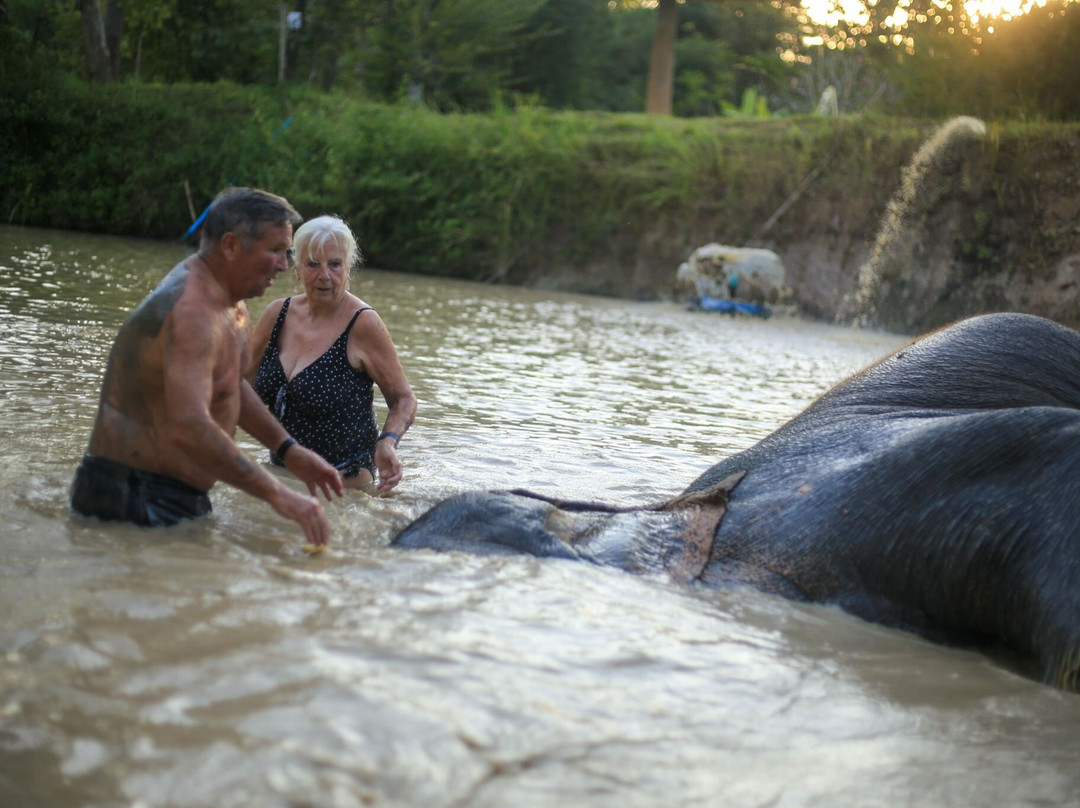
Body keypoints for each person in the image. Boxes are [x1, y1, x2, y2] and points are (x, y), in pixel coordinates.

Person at [70, 187, 344, 546]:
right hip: (131, 497)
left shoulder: (233, 301)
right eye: (276, 250)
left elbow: (229, 385)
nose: (283, 264)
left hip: (170, 495)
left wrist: (289, 450)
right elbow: (190, 426)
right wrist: (278, 494)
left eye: (286, 252)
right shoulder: (192, 314)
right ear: (230, 246)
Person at [248, 214, 416, 493]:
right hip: (281, 475)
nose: (325, 275)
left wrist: (387, 442)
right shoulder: (276, 315)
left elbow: (403, 399)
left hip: (343, 490)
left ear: (348, 269)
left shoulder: (363, 324)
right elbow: (236, 387)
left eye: (335, 264)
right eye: (313, 264)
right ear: (297, 269)